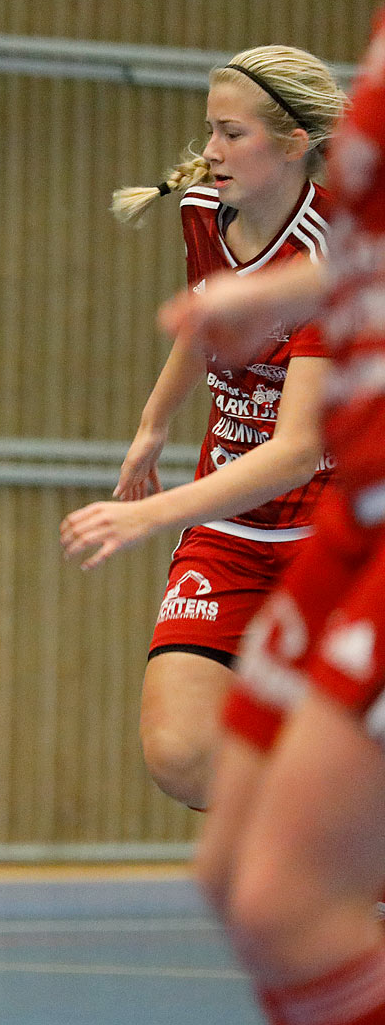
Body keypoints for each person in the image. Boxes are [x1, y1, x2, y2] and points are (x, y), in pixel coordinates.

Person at [175, 7, 385, 1025]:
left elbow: (299, 435)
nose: (212, 151)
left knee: (287, 888)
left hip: (345, 511)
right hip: (354, 516)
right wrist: (263, 304)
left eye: (232, 132)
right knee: (236, 869)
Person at [61, 46, 345, 812]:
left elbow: (295, 452)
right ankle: (329, 846)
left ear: (293, 144)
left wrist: (149, 514)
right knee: (181, 752)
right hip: (232, 531)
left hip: (333, 535)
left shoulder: (330, 254)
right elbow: (211, 320)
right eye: (209, 131)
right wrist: (154, 424)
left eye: (232, 134)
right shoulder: (202, 216)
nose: (211, 152)